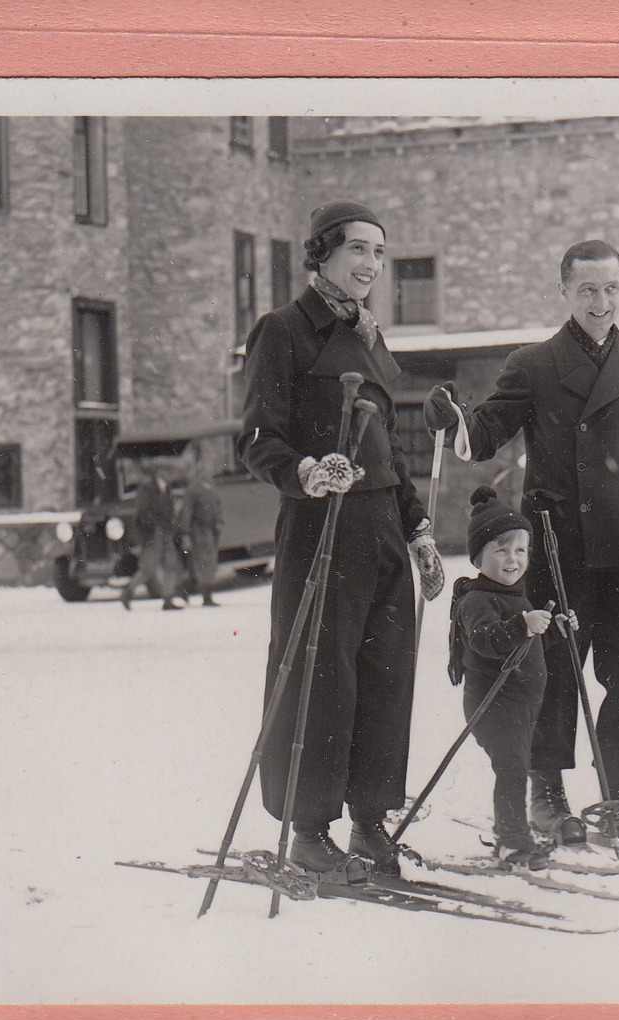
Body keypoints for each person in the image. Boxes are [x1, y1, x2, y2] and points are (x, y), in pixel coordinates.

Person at [424, 239, 619, 847]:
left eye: (612, 289)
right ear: (564, 291)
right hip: (559, 547)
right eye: (588, 290)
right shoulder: (535, 364)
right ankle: (547, 790)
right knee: (553, 675)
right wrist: (457, 420)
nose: (601, 302)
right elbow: (488, 428)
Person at [238, 201, 445, 883]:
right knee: (322, 680)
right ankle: (308, 829)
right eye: (358, 249)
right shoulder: (284, 330)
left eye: (380, 254)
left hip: (381, 527)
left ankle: (368, 821)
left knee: (387, 676)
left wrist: (417, 530)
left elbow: (389, 453)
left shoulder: (372, 338)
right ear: (320, 252)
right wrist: (303, 471)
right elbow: (258, 437)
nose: (371, 265)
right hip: (321, 527)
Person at [447, 486, 578, 869]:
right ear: (478, 556)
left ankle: (514, 832)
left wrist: (555, 629)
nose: (512, 560)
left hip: (521, 704)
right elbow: (486, 642)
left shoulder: (517, 596)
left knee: (516, 765)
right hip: (493, 704)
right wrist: (523, 624)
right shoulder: (476, 601)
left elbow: (526, 647)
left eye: (520, 551)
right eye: (501, 550)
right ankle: (512, 840)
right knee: (512, 769)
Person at [119, 463, 183, 610]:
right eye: (165, 470)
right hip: (152, 533)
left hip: (165, 531)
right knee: (148, 568)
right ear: (157, 472)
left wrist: (170, 525)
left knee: (171, 565)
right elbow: (143, 514)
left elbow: (170, 509)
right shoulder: (146, 489)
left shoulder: (166, 489)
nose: (168, 474)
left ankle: (168, 599)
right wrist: (156, 526)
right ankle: (127, 593)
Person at [179, 469, 224, 607]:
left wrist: (219, 521)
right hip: (198, 530)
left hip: (211, 530)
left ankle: (189, 592)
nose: (206, 474)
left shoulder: (212, 488)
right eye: (203, 472)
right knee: (202, 562)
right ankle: (205, 596)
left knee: (207, 562)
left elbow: (217, 506)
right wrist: (185, 533)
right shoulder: (193, 490)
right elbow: (187, 512)